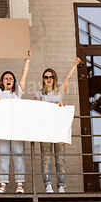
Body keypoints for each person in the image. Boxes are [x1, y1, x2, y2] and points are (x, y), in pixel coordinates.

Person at [0, 49, 32, 194]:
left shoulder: (18, 93)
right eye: (6, 78)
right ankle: (3, 184)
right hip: (2, 130)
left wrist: (27, 59)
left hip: (16, 130)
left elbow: (24, 75)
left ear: (13, 81)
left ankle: (19, 185)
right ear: (2, 82)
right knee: (2, 156)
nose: (8, 80)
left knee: (18, 155)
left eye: (10, 78)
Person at [34, 57, 82, 193]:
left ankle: (61, 185)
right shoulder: (38, 94)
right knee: (46, 158)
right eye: (46, 77)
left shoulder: (59, 91)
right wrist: (54, 105)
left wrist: (74, 64)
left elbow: (68, 78)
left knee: (60, 159)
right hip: (45, 130)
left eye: (51, 77)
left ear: (54, 78)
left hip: (59, 128)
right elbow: (39, 109)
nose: (49, 79)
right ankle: (48, 184)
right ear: (43, 79)